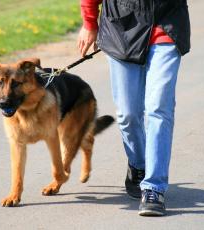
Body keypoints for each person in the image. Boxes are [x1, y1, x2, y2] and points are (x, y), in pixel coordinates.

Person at [78, 0, 190, 216]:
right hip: (121, 27)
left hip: (168, 23)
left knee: (159, 108)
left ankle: (154, 188)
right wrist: (90, 23)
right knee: (127, 114)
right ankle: (138, 165)